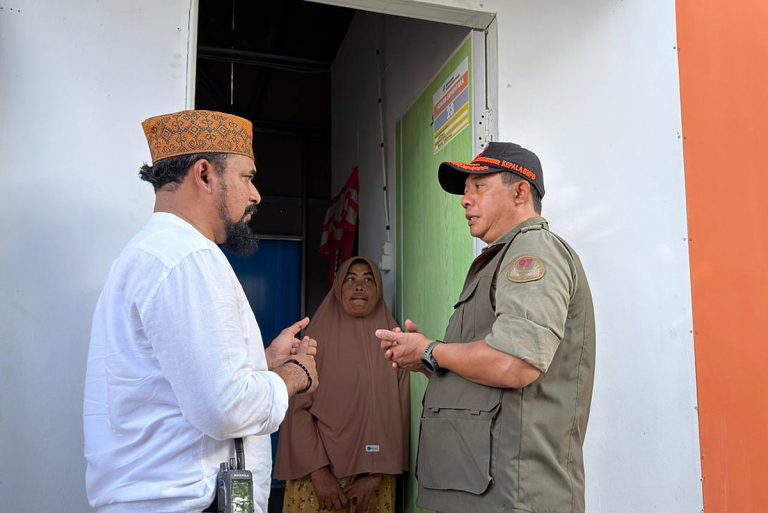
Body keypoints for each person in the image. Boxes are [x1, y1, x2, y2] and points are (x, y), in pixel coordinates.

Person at [83, 109, 319, 513]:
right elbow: (223, 408)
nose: (257, 195)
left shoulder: (155, 252)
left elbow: (181, 387)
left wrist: (260, 364)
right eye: (247, 177)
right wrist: (295, 377)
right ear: (206, 175)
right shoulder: (185, 256)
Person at [376, 142, 595, 513]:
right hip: (485, 493)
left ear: (520, 192)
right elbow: (487, 382)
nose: (465, 200)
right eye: (465, 191)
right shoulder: (499, 258)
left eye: (478, 187)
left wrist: (431, 350)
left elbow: (514, 363)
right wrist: (430, 361)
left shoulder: (533, 254)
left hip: (516, 497)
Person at [275, 256, 409, 513]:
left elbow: (398, 413)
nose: (360, 286)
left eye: (368, 280)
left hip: (373, 480)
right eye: (351, 279)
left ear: (378, 289)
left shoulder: (394, 341)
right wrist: (319, 474)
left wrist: (374, 477)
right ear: (338, 288)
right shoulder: (313, 342)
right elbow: (297, 409)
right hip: (316, 480)